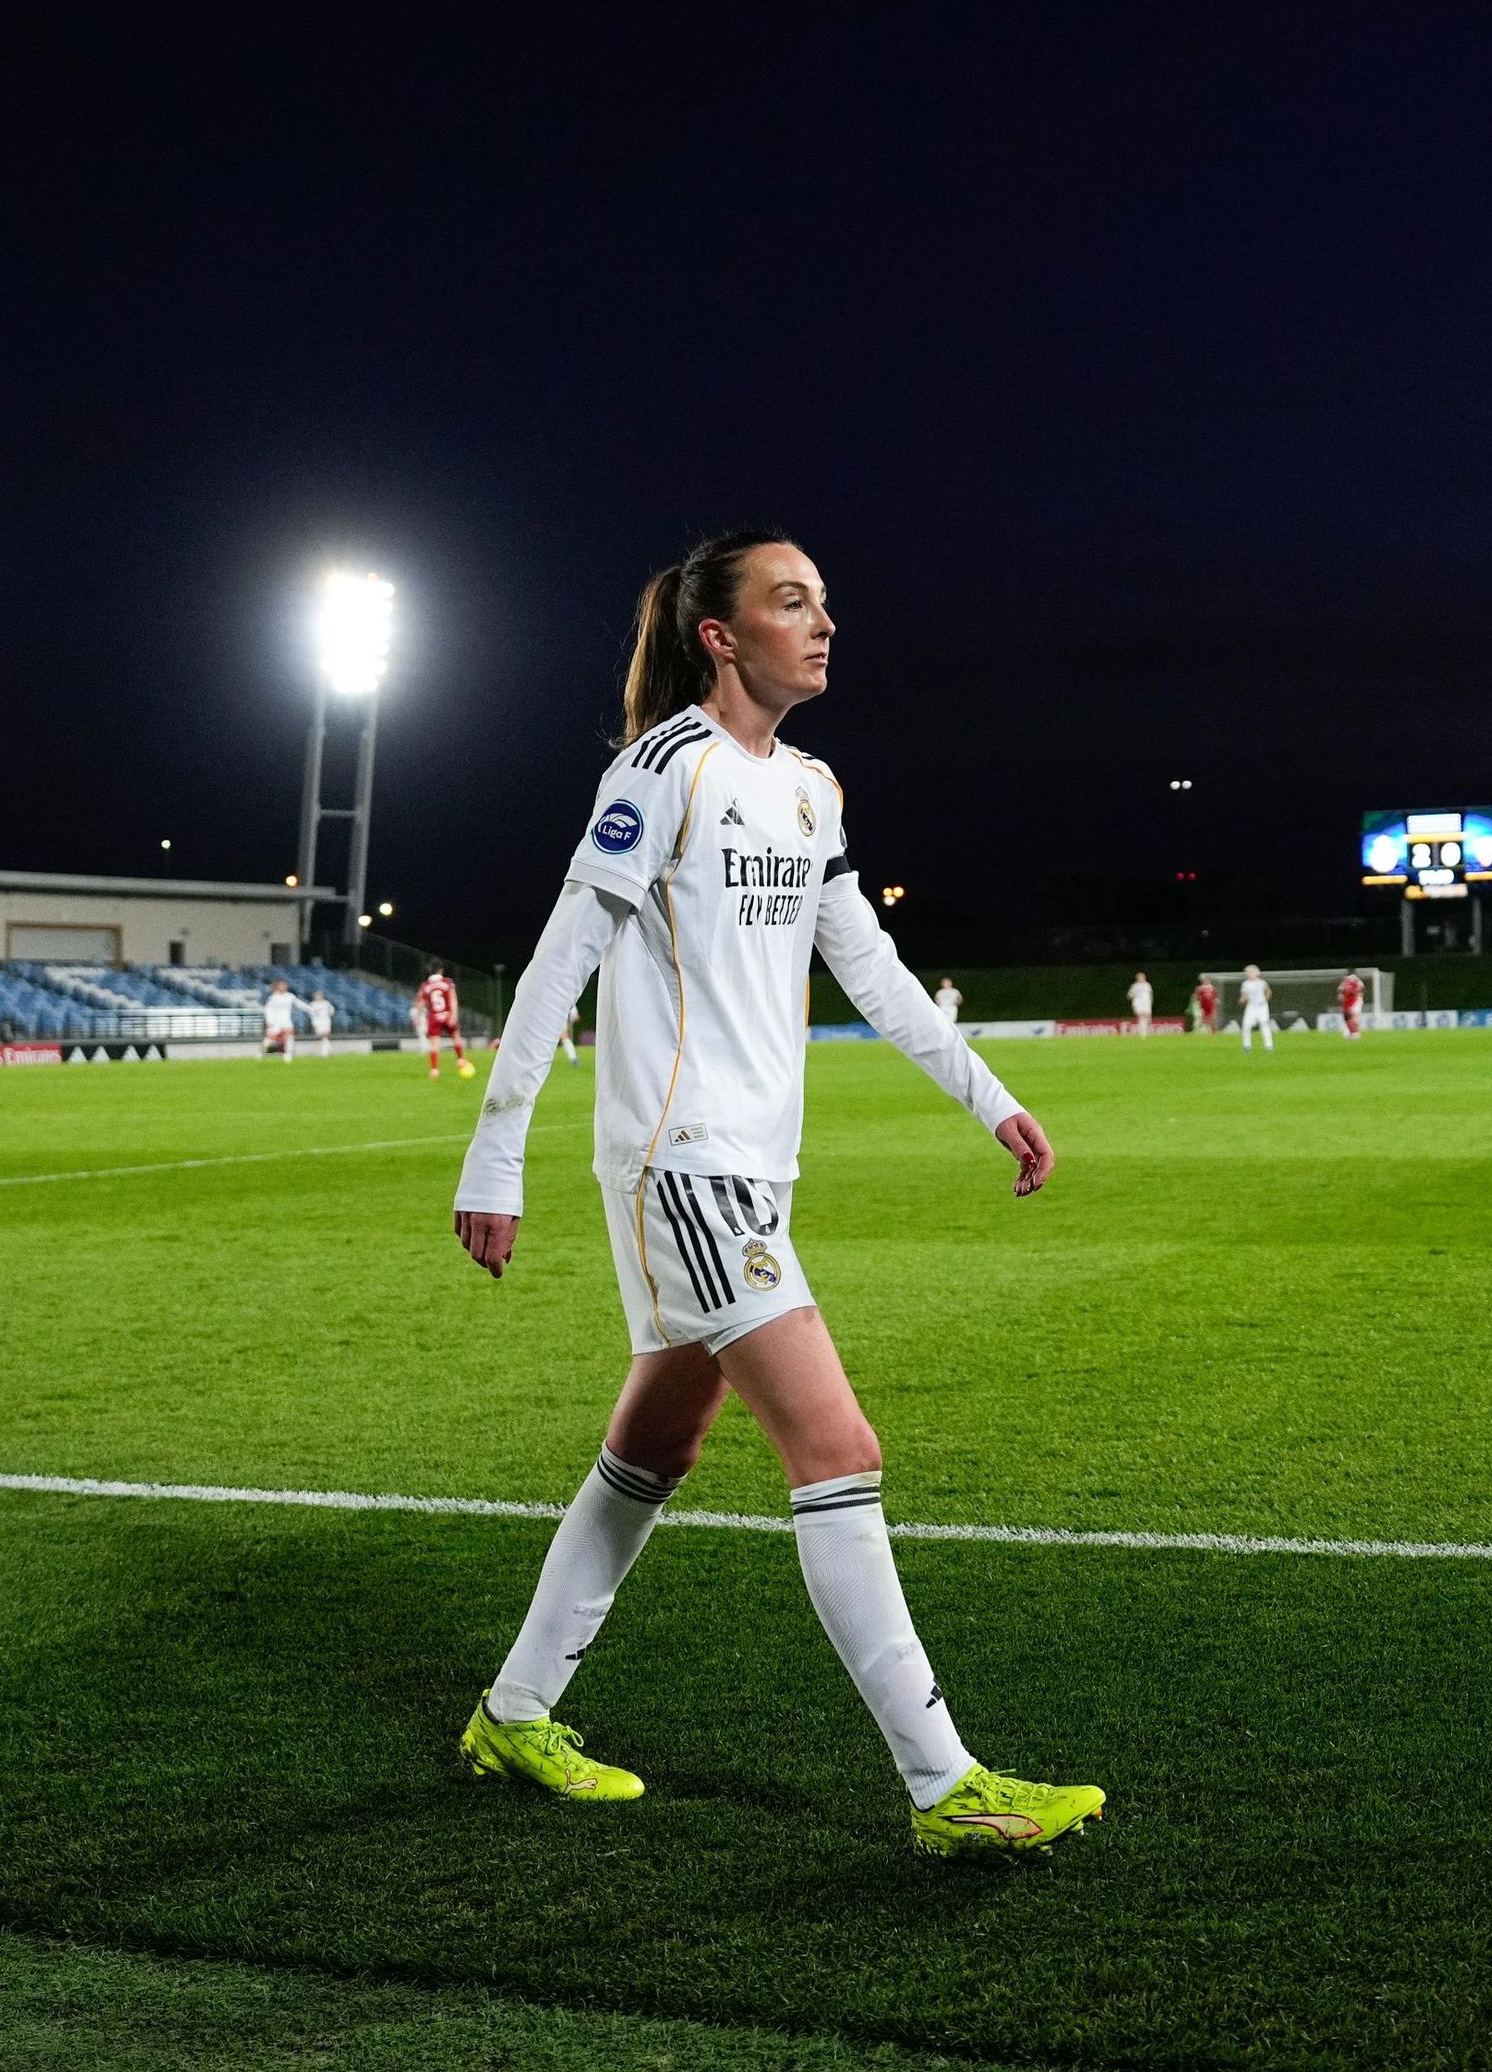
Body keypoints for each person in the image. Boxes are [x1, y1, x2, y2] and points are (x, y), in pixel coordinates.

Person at [451, 528, 1104, 1862]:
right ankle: (947, 1786)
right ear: (720, 635)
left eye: (823, 603)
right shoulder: (662, 771)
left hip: (753, 1169)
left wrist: (991, 1098)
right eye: (790, 602)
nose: (823, 624)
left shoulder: (808, 790)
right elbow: (560, 961)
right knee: (838, 1449)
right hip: (685, 1163)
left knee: (657, 1450)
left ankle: (513, 1714)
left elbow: (871, 968)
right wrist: (493, 1156)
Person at [416, 963, 471, 1079]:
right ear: (440, 971)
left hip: (434, 1017)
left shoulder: (425, 986)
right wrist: (454, 1016)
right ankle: (460, 1060)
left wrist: (418, 1018)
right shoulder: (447, 982)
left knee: (434, 1044)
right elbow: (453, 999)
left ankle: (434, 1070)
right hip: (447, 1015)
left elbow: (420, 1004)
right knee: (456, 1037)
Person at [1238, 963, 1273, 1053]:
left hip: (1262, 1007)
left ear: (1257, 973)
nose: (1249, 974)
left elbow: (1268, 992)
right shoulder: (1245, 984)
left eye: (1251, 972)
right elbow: (1244, 995)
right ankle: (1247, 1046)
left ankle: (1269, 1046)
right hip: (1251, 1007)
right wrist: (1242, 999)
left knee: (1264, 1025)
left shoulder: (1262, 983)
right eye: (1248, 972)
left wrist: (1265, 1000)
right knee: (1246, 1025)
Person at [261, 979, 296, 1060]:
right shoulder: (273, 997)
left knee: (289, 1037)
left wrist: (311, 1010)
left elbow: (300, 1004)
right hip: (276, 1022)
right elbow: (268, 1009)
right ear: (277, 987)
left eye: (285, 985)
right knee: (270, 1038)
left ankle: (288, 1055)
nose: (284, 987)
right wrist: (269, 1021)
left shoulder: (290, 996)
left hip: (286, 1021)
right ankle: (262, 1052)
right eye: (282, 985)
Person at [1338, 971, 1364, 1040]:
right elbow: (1341, 991)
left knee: (1352, 1017)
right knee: (1349, 1017)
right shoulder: (1346, 982)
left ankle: (1354, 1033)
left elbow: (1341, 991)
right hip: (1348, 1002)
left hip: (1354, 1001)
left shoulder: (1353, 981)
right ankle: (1350, 1033)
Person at [308, 989, 335, 1057]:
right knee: (322, 1036)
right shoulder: (312, 1004)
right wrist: (314, 1021)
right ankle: (329, 1049)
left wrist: (328, 1014)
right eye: (317, 996)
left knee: (325, 1035)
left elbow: (332, 1010)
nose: (318, 997)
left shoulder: (326, 1003)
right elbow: (311, 1013)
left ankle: (324, 1053)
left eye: (319, 995)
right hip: (317, 1022)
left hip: (326, 1021)